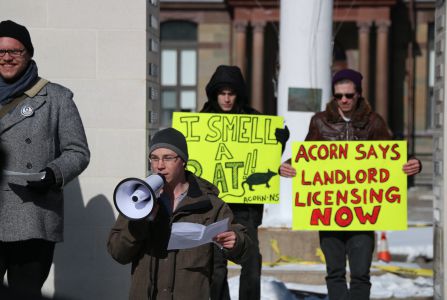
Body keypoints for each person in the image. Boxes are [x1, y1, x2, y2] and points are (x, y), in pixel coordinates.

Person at [279, 68, 421, 300]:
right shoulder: (320, 122)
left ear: (358, 95)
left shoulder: (374, 122)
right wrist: (286, 166)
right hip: (328, 210)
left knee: (361, 274)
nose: (343, 100)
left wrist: (413, 164)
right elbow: (306, 156)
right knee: (334, 272)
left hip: (363, 213)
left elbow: (393, 158)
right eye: (338, 96)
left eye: (348, 95)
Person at [0, 20, 90, 296]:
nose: (6, 58)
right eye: (0, 52)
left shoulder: (56, 98)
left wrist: (52, 174)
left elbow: (78, 151)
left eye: (14, 51)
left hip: (32, 215)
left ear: (28, 54)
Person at [107, 127, 251, 300]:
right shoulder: (137, 200)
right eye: (154, 158)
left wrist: (236, 241)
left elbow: (247, 252)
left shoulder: (210, 205)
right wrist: (141, 222)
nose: (160, 165)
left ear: (183, 160)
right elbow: (118, 253)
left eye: (168, 158)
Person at [201, 65, 289, 300]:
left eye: (231, 93)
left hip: (245, 208)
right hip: (212, 206)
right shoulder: (202, 121)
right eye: (222, 93)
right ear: (215, 94)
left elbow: (265, 163)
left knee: (250, 262)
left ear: (238, 94)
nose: (227, 98)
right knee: (216, 266)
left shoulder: (255, 120)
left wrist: (279, 143)